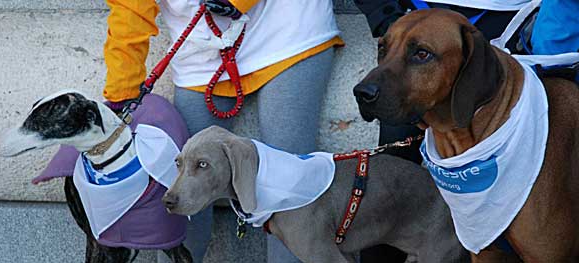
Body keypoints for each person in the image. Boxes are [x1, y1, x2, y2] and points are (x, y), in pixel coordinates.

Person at [102, 0, 343, 262]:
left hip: (288, 32)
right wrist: (121, 93)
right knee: (180, 184)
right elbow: (130, 10)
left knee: (288, 191)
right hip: (201, 51)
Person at [353, 0, 532, 262]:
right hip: (420, 14)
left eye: (419, 54)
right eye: (384, 50)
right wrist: (384, 15)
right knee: (386, 192)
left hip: (518, 24)